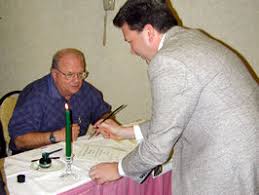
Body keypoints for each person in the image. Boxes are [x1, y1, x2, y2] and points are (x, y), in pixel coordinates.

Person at [89, 1, 258, 194]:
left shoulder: (168, 61)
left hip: (224, 164)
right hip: (245, 155)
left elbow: (157, 148)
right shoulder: (192, 39)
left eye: (130, 41)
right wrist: (125, 131)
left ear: (149, 32)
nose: (131, 50)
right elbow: (174, 119)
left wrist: (119, 169)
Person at [9, 48, 111, 154]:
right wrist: (56, 136)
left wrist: (106, 123)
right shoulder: (35, 95)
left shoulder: (86, 90)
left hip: (74, 153)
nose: (77, 80)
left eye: (81, 74)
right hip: (34, 158)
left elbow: (104, 113)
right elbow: (19, 140)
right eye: (69, 75)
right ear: (54, 74)